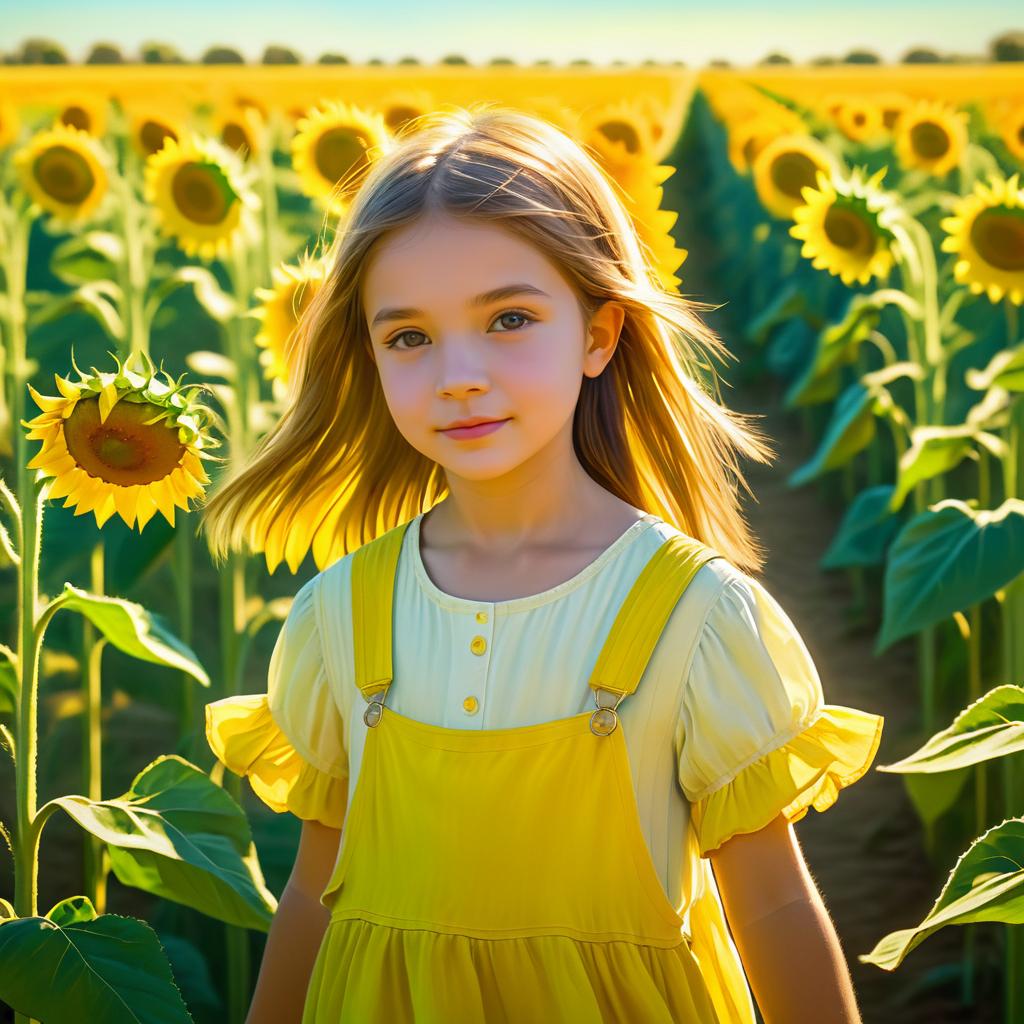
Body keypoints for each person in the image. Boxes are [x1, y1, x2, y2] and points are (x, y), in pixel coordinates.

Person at [200, 103, 884, 1023]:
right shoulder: (342, 612)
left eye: (509, 319)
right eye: (409, 336)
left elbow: (772, 905)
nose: (459, 374)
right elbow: (314, 897)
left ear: (599, 334)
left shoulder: (694, 615)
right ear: (367, 352)